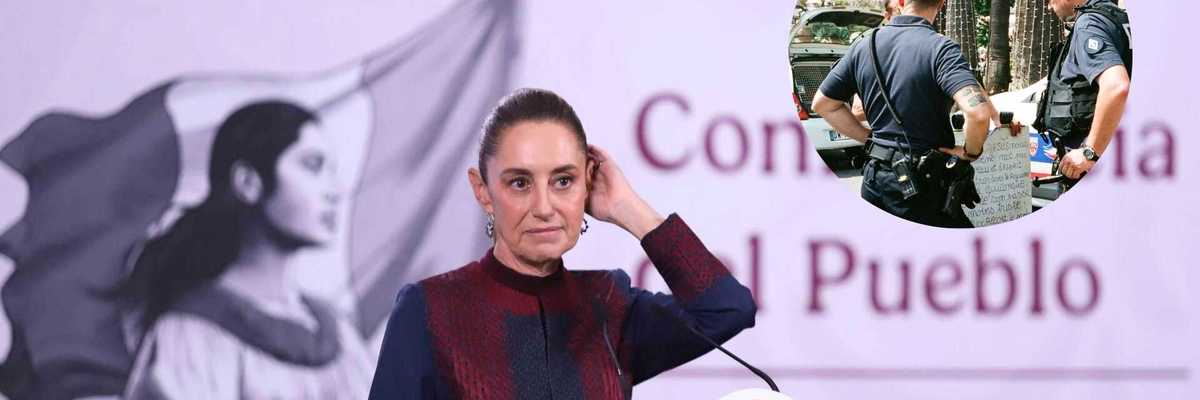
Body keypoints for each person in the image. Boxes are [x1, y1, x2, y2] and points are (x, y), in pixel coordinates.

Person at [368, 88, 757, 399]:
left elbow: (728, 310)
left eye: (563, 181)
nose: (544, 207)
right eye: (520, 183)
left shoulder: (609, 303)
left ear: (588, 181)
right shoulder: (430, 310)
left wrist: (630, 210)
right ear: (483, 190)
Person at [120, 101, 373, 398]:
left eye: (332, 170)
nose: (336, 191)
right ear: (248, 182)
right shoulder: (191, 334)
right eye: (313, 166)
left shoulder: (340, 336)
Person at [812, 0, 1020, 228]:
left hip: (874, 179)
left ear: (901, 2)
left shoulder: (864, 45)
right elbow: (978, 113)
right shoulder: (940, 48)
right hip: (921, 186)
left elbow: (823, 104)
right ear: (941, 4)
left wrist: (869, 139)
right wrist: (970, 153)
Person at [1035, 0, 1132, 186]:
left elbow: (1116, 86)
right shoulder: (1119, 18)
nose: (1048, 6)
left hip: (1093, 169)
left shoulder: (1089, 24)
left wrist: (1090, 152)